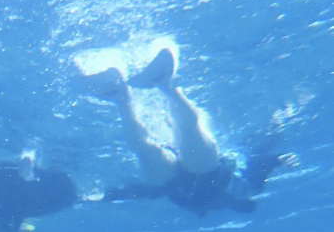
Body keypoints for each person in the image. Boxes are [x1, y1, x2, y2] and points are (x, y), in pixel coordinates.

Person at [81, 48, 285, 215]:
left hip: (177, 180)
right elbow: (260, 165)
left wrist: (105, 196)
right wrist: (277, 157)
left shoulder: (235, 194)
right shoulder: (237, 193)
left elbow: (140, 192)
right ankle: (150, 89)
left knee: (164, 148)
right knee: (172, 147)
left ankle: (135, 95)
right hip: (200, 174)